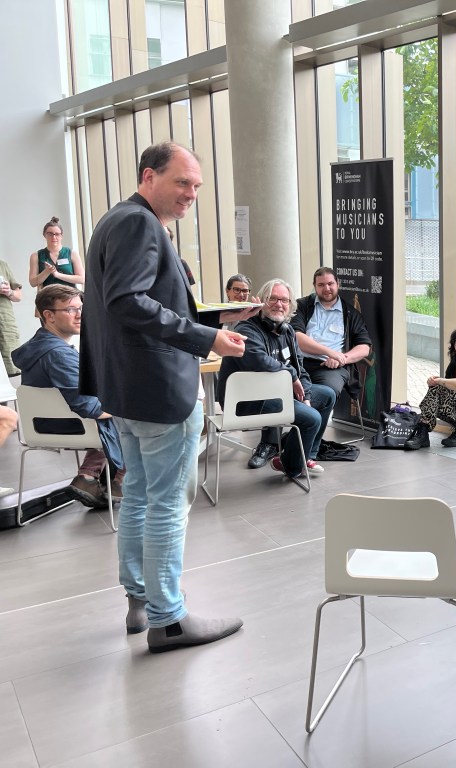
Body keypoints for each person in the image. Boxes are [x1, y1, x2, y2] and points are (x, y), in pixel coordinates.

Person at [80, 141, 256, 652]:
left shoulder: (115, 220)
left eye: (197, 186)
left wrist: (212, 319)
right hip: (160, 391)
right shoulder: (140, 225)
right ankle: (168, 618)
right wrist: (206, 340)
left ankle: (139, 599)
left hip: (129, 389)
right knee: (167, 504)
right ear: (148, 176)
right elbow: (127, 302)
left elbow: (137, 305)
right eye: (183, 183)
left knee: (138, 495)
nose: (191, 194)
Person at [12, 285, 125, 508]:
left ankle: (89, 477)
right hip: (71, 425)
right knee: (139, 414)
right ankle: (122, 482)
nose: (80, 315)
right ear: (48, 316)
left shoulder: (39, 347)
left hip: (45, 425)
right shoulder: (57, 354)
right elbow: (90, 407)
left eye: (81, 308)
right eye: (71, 310)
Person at [246, 267, 370, 469]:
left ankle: (308, 449)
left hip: (331, 368)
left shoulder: (350, 312)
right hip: (299, 361)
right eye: (321, 285)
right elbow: (296, 337)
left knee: (327, 393)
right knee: (277, 386)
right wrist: (329, 352)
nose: (327, 288)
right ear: (315, 287)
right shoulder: (302, 305)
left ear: (337, 284)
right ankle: (269, 443)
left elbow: (365, 347)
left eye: (330, 283)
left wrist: (342, 358)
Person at [217, 278, 337, 478]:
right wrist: (291, 376)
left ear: (290, 305)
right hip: (248, 400)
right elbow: (258, 361)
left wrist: (306, 395)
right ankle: (292, 466)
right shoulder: (246, 329)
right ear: (262, 301)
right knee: (311, 419)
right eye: (273, 299)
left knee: (326, 395)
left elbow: (301, 369)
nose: (279, 304)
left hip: (276, 392)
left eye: (284, 300)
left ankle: (303, 456)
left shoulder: (287, 331)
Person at [28, 217, 85, 290]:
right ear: (44, 235)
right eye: (50, 234)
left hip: (70, 296)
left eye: (57, 234)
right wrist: (46, 272)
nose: (54, 237)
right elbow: (33, 282)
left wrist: (58, 275)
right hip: (48, 297)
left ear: (61, 236)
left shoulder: (72, 253)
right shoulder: (36, 256)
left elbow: (82, 279)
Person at [0, 259, 23, 376]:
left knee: (13, 364)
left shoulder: (2, 265)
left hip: (5, 321)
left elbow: (18, 296)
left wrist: (9, 292)